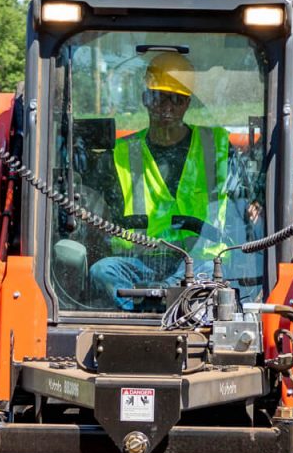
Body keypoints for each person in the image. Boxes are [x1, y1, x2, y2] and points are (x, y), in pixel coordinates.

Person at [85, 51, 243, 310]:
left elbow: (244, 199)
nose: (167, 107)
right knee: (103, 270)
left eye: (176, 100)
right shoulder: (122, 154)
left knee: (204, 274)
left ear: (188, 103)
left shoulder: (216, 146)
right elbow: (95, 212)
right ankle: (159, 306)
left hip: (199, 261)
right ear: (145, 98)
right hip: (140, 261)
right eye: (159, 98)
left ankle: (159, 302)